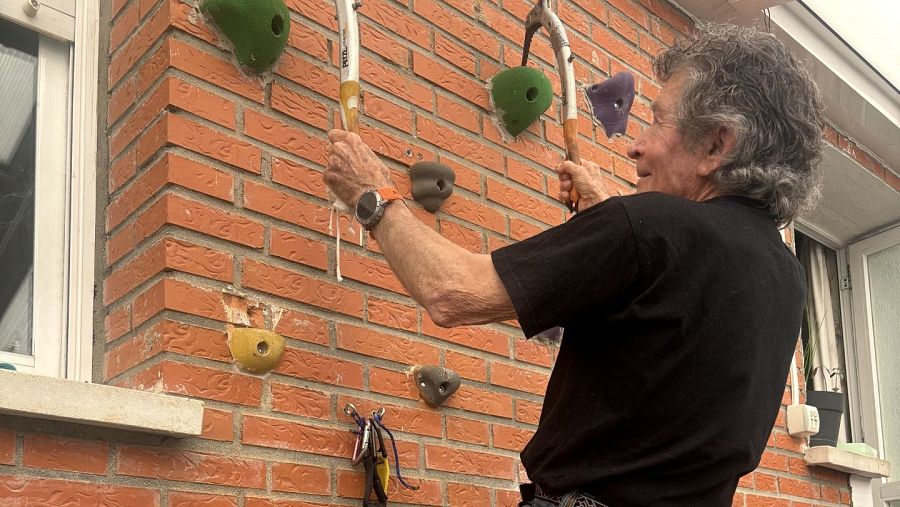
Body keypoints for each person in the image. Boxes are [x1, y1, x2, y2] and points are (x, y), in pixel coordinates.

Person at [324, 23, 824, 507]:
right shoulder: (785, 276)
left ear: (717, 145)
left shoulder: (650, 229)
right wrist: (612, 221)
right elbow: (659, 321)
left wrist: (371, 194)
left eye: (657, 120)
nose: (635, 145)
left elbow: (449, 292)